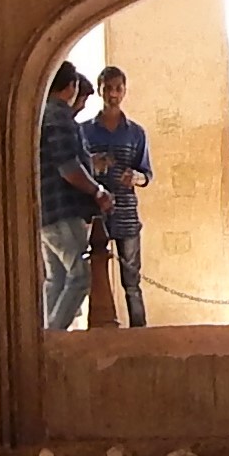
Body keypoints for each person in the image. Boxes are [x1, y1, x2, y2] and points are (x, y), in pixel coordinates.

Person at [83, 63, 155, 328]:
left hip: (126, 212)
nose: (113, 93)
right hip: (93, 213)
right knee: (90, 275)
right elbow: (76, 166)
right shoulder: (84, 131)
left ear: (124, 91)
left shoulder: (136, 133)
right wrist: (94, 163)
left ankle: (139, 333)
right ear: (100, 90)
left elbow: (146, 174)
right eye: (108, 88)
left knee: (132, 281)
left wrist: (135, 177)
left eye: (118, 88)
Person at [37, 62, 107, 330]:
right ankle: (53, 337)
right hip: (63, 209)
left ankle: (46, 333)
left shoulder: (40, 114)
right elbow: (68, 167)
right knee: (79, 277)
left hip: (45, 211)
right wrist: (97, 191)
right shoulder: (59, 117)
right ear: (71, 86)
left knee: (56, 279)